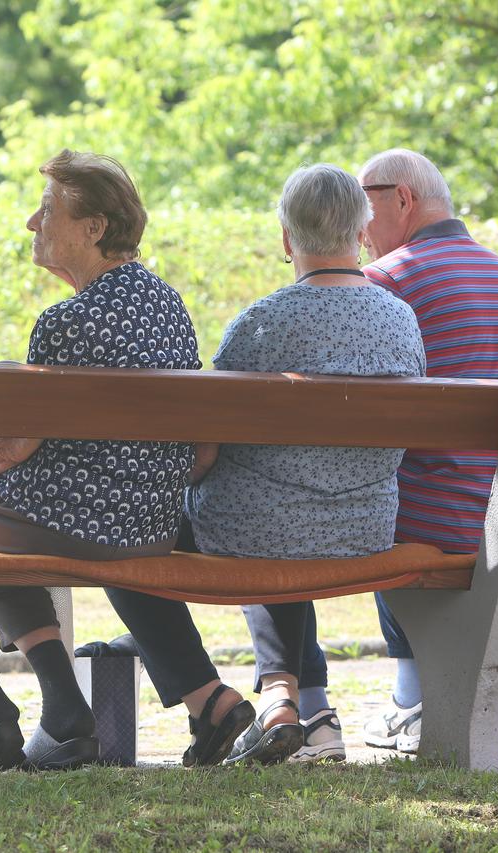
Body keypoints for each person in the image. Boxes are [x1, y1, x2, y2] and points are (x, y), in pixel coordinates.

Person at [0, 149, 250, 772]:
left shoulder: (65, 321)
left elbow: (18, 441)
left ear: (93, 228)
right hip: (147, 524)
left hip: (72, 524)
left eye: (45, 211)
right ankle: (68, 705)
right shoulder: (170, 308)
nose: (32, 225)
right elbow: (200, 447)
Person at [246, 148, 498, 761]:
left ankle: (324, 702)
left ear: (400, 199)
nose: (356, 221)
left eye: (363, 200)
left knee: (291, 501)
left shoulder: (384, 284)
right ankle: (408, 695)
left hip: (415, 518)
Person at [175, 164, 425, 766]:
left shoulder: (261, 323)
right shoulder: (400, 319)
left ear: (288, 240)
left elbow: (206, 451)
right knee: (278, 514)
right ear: (363, 233)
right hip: (365, 530)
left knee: (255, 516)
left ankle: (261, 697)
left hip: (261, 529)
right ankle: (288, 700)